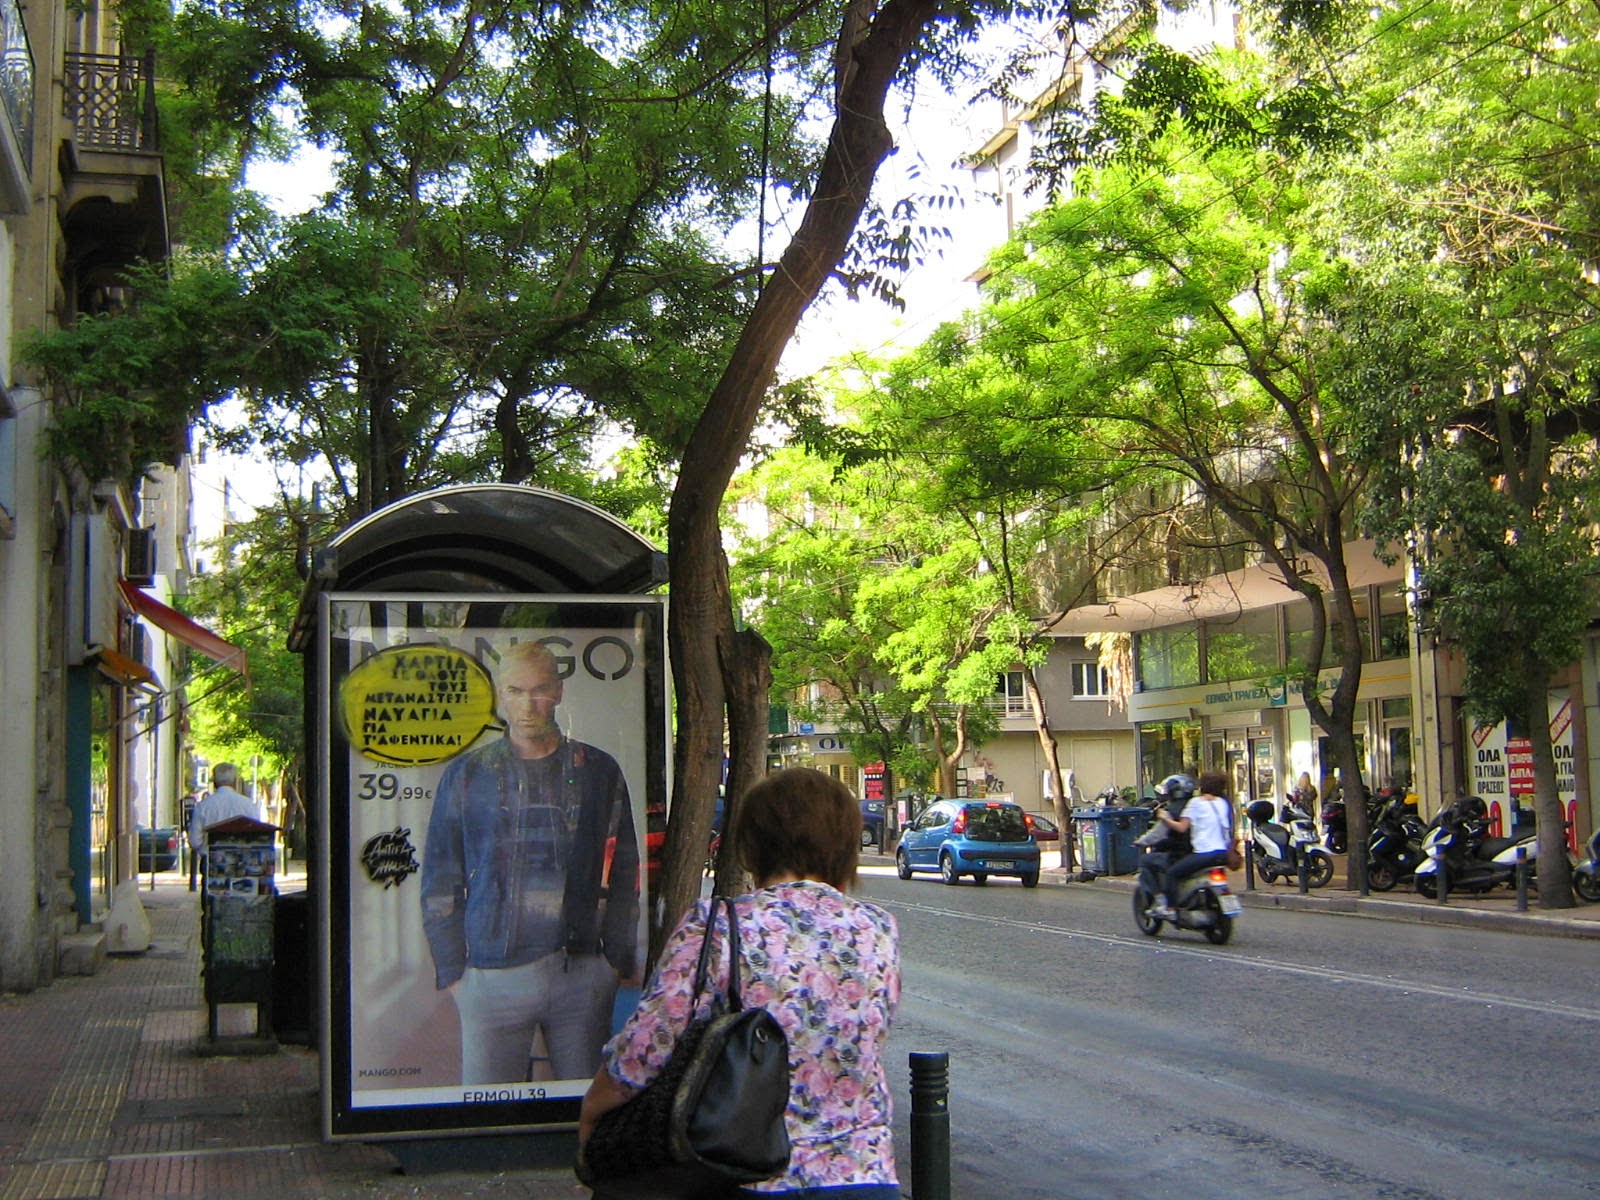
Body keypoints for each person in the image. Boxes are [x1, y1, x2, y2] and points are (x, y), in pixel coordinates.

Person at [579, 768, 901, 1198]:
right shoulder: (879, 929)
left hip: (743, 1172)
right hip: (865, 1176)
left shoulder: (721, 926)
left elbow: (647, 1047)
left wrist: (592, 1113)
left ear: (752, 847)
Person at [420, 640, 640, 1086]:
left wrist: (612, 961)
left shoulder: (598, 769)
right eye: (516, 690)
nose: (527, 703)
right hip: (489, 974)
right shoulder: (468, 775)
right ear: (501, 693)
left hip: (580, 970)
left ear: (558, 692)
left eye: (539, 689)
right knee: (484, 1111)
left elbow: (624, 869)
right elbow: (441, 877)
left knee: (583, 1108)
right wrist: (455, 973)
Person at [1149, 771, 1233, 919]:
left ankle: (1170, 908)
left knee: (1172, 873)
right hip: (1223, 854)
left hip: (1205, 854)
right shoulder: (1222, 803)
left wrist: (1164, 817)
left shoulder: (1195, 803)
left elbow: (1181, 827)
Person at [187, 763, 260, 857]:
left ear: (214, 783)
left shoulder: (203, 806)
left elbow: (195, 841)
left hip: (212, 861)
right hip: (242, 860)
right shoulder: (249, 805)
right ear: (234, 782)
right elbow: (257, 835)